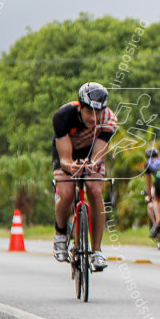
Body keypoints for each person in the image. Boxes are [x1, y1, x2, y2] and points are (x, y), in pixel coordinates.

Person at [51, 82, 117, 271]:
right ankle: (60, 234)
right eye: (89, 112)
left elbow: (98, 153)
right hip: (67, 152)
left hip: (91, 152)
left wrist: (93, 164)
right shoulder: (62, 116)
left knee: (95, 190)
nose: (94, 118)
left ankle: (96, 250)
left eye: (98, 113)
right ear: (80, 107)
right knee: (67, 192)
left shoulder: (109, 119)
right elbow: (65, 159)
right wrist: (71, 166)